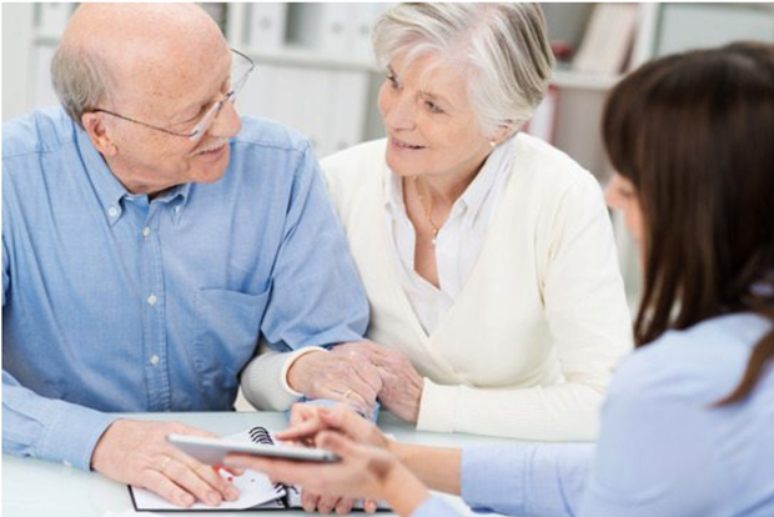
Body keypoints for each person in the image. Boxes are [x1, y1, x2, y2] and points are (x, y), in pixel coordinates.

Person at [225, 42, 774, 517]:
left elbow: (609, 454)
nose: (614, 194)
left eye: (635, 179)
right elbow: (601, 475)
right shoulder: (736, 358)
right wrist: (392, 463)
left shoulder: (677, 384)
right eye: (394, 81)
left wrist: (403, 469)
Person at [2, 3, 383, 509]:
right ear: (102, 132)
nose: (230, 124)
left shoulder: (281, 167)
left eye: (226, 92)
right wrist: (99, 439)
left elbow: (328, 346)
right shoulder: (12, 175)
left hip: (215, 491)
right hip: (49, 479)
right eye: (196, 115)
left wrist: (337, 435)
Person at [244, 3, 633, 440]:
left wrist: (426, 402)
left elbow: (608, 402)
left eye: (433, 106)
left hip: (507, 464)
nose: (396, 117)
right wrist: (304, 371)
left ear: (503, 124)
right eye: (394, 81)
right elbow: (256, 372)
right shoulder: (336, 182)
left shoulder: (560, 196)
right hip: (366, 465)